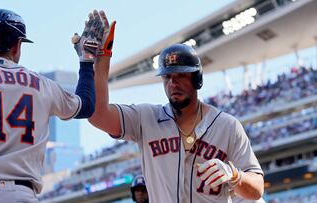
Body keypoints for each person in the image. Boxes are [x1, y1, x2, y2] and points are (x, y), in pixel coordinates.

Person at [88, 11, 264, 203]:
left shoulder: (228, 126)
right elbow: (97, 115)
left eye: (180, 75)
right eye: (167, 77)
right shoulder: (145, 118)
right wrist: (101, 58)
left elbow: (257, 190)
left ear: (197, 78)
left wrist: (234, 175)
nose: (173, 83)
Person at [0, 8, 102, 203]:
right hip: (23, 195)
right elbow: (86, 106)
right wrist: (86, 60)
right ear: (16, 46)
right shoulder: (42, 83)